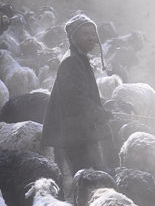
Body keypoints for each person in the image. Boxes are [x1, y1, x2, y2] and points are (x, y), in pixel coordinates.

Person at [41, 13, 110, 173]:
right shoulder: (72, 61)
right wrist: (100, 114)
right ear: (73, 37)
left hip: (79, 131)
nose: (91, 38)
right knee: (89, 176)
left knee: (89, 176)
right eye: (85, 34)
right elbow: (77, 100)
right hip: (77, 135)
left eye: (93, 34)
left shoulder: (79, 58)